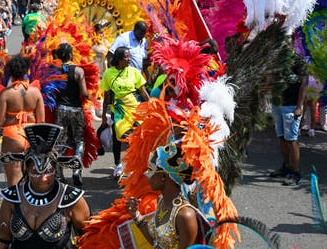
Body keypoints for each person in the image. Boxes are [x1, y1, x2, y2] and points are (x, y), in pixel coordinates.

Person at [0, 123, 90, 248]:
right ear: (27, 169)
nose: (43, 178)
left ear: (56, 168)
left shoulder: (71, 199)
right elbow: (2, 240)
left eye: (48, 171)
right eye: (35, 172)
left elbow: (88, 239)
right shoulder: (12, 197)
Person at [126, 142, 211, 248]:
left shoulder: (185, 215)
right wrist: (136, 215)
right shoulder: (161, 200)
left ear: (163, 176)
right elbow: (156, 244)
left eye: (151, 170)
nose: (147, 175)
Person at [0, 56, 45, 186]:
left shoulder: (6, 94)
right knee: (33, 179)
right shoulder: (36, 92)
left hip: (12, 135)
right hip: (32, 134)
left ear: (10, 73)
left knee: (13, 180)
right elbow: (41, 121)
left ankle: (16, 206)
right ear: (26, 72)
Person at [99, 47, 150, 179]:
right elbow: (106, 96)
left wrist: (153, 106)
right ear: (119, 59)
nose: (129, 59)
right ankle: (118, 165)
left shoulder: (134, 72)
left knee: (136, 139)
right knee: (119, 138)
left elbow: (143, 92)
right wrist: (104, 116)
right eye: (126, 57)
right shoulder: (109, 73)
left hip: (136, 110)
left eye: (129, 56)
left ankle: (134, 167)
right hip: (119, 111)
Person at [269, 50, 308, 186]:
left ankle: (296, 172)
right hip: (277, 105)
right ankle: (286, 167)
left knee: (291, 139)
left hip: (291, 106)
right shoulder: (275, 59)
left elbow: (304, 84)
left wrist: (299, 107)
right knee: (281, 137)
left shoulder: (298, 60)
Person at [54, 43, 89, 186]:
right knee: (79, 140)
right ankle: (76, 170)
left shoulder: (54, 72)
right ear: (71, 54)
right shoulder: (79, 71)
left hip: (60, 110)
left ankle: (59, 173)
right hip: (76, 110)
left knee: (60, 142)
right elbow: (84, 93)